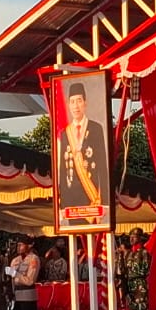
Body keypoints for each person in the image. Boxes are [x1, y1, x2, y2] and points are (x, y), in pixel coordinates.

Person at [57, 81, 107, 224]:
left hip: (91, 197)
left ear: (85, 103)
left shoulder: (95, 128)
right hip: (72, 198)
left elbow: (102, 166)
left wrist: (104, 201)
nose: (76, 106)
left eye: (79, 101)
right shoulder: (65, 133)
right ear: (69, 105)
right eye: (72, 102)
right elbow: (63, 170)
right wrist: (62, 204)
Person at [121, 228, 152, 310]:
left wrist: (132, 274)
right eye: (130, 236)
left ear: (140, 238)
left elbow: (145, 270)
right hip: (130, 285)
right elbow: (124, 271)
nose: (131, 239)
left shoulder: (144, 253)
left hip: (140, 285)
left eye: (134, 236)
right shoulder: (128, 254)